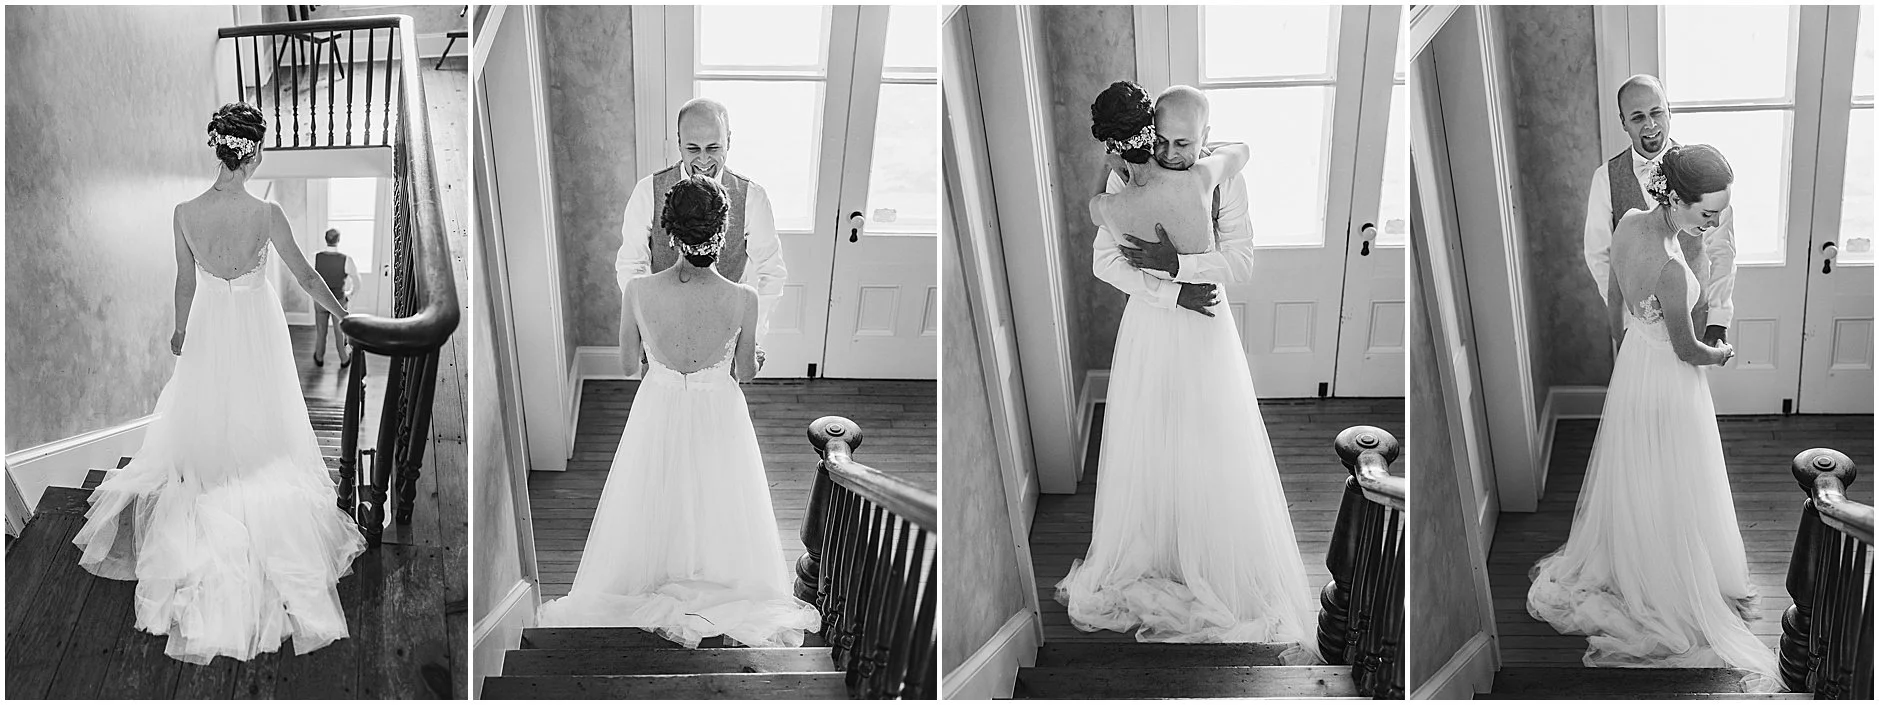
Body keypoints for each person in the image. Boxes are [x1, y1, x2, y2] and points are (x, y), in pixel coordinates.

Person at [71, 103, 366, 664]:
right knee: (261, 411)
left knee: (208, 407)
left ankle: (212, 481)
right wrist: (345, 320)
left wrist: (181, 330)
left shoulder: (184, 212)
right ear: (250, 153)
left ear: (218, 148)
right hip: (257, 328)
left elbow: (186, 279)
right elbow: (304, 276)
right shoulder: (267, 213)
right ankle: (250, 482)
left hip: (208, 325)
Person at [1058, 82, 1318, 659]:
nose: (1173, 154)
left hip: (1208, 326)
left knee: (1208, 440)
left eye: (1185, 143)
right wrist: (1169, 294)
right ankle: (1155, 553)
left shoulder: (1222, 177)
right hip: (1153, 325)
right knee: (1150, 440)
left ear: (1205, 137)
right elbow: (1105, 263)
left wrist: (1180, 264)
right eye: (1166, 139)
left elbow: (1243, 261)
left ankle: (1211, 558)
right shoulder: (1129, 173)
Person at [1529, 145, 1778, 686]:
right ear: (1678, 199)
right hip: (1667, 375)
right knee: (1679, 474)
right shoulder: (1668, 267)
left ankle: (1636, 554)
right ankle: (1671, 576)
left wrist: (1631, 344)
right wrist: (1721, 354)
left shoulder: (1628, 227)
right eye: (1708, 213)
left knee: (1642, 470)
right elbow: (1688, 350)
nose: (1714, 222)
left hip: (1635, 364)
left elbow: (1615, 298)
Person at [539, 175, 819, 648]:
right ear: (723, 232)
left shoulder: (638, 291)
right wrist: (748, 355)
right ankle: (710, 577)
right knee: (716, 493)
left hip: (660, 404)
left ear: (669, 233)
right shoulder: (744, 299)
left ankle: (658, 574)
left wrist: (657, 347)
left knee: (656, 489)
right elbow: (746, 373)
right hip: (719, 412)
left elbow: (629, 365)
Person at [617, 98, 787, 372]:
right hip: (661, 343)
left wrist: (749, 337)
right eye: (693, 148)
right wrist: (645, 330)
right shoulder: (647, 191)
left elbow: (771, 272)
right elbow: (631, 265)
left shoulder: (752, 197)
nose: (704, 160)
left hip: (722, 349)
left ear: (728, 140)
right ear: (679, 141)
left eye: (714, 148)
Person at [1584, 75, 1737, 350]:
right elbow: (1599, 254)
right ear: (1623, 122)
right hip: (1638, 327)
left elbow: (1722, 249)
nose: (1650, 125)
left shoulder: (1702, 170)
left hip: (1695, 319)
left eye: (1656, 112)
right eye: (1637, 117)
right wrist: (1628, 316)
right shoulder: (1605, 178)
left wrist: (1718, 317)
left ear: (1669, 110)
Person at [312, 227, 358, 367]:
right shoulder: (346, 259)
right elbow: (357, 282)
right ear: (338, 240)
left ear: (326, 239)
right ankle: (344, 359)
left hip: (321, 300)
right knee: (340, 332)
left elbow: (310, 279)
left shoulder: (315, 257)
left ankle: (319, 357)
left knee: (321, 331)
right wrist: (349, 294)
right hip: (338, 300)